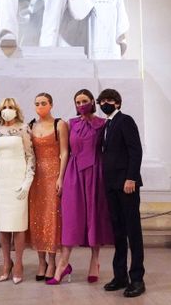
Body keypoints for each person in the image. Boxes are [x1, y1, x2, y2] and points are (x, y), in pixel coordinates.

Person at [47, 89, 113, 285]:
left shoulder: (103, 124)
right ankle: (63, 264)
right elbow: (64, 152)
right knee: (71, 218)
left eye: (84, 100)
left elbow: (107, 150)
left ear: (92, 101)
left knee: (94, 217)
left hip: (96, 173)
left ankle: (95, 262)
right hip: (74, 174)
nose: (81, 104)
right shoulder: (71, 124)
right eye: (78, 101)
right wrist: (60, 177)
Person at [96, 88, 145, 298]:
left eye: (109, 100)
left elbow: (136, 150)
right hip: (111, 185)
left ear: (117, 103)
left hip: (127, 185)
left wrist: (131, 178)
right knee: (118, 232)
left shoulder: (125, 120)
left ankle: (137, 279)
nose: (105, 104)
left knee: (133, 232)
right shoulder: (106, 124)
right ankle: (120, 276)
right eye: (102, 101)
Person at [0, 97, 35, 284]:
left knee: (18, 225)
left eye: (11, 107)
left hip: (18, 178)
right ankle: (7, 263)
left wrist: (27, 182)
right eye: (4, 107)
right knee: (3, 226)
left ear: (16, 109)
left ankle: (19, 263)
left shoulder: (24, 128)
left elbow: (30, 156)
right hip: (1, 180)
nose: (7, 110)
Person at [28, 93, 68, 281]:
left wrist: (61, 177)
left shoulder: (59, 124)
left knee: (52, 218)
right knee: (37, 217)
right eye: (37, 104)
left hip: (53, 175)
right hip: (36, 177)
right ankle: (41, 261)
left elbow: (65, 151)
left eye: (43, 103)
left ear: (51, 104)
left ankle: (52, 261)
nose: (40, 106)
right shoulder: (30, 125)